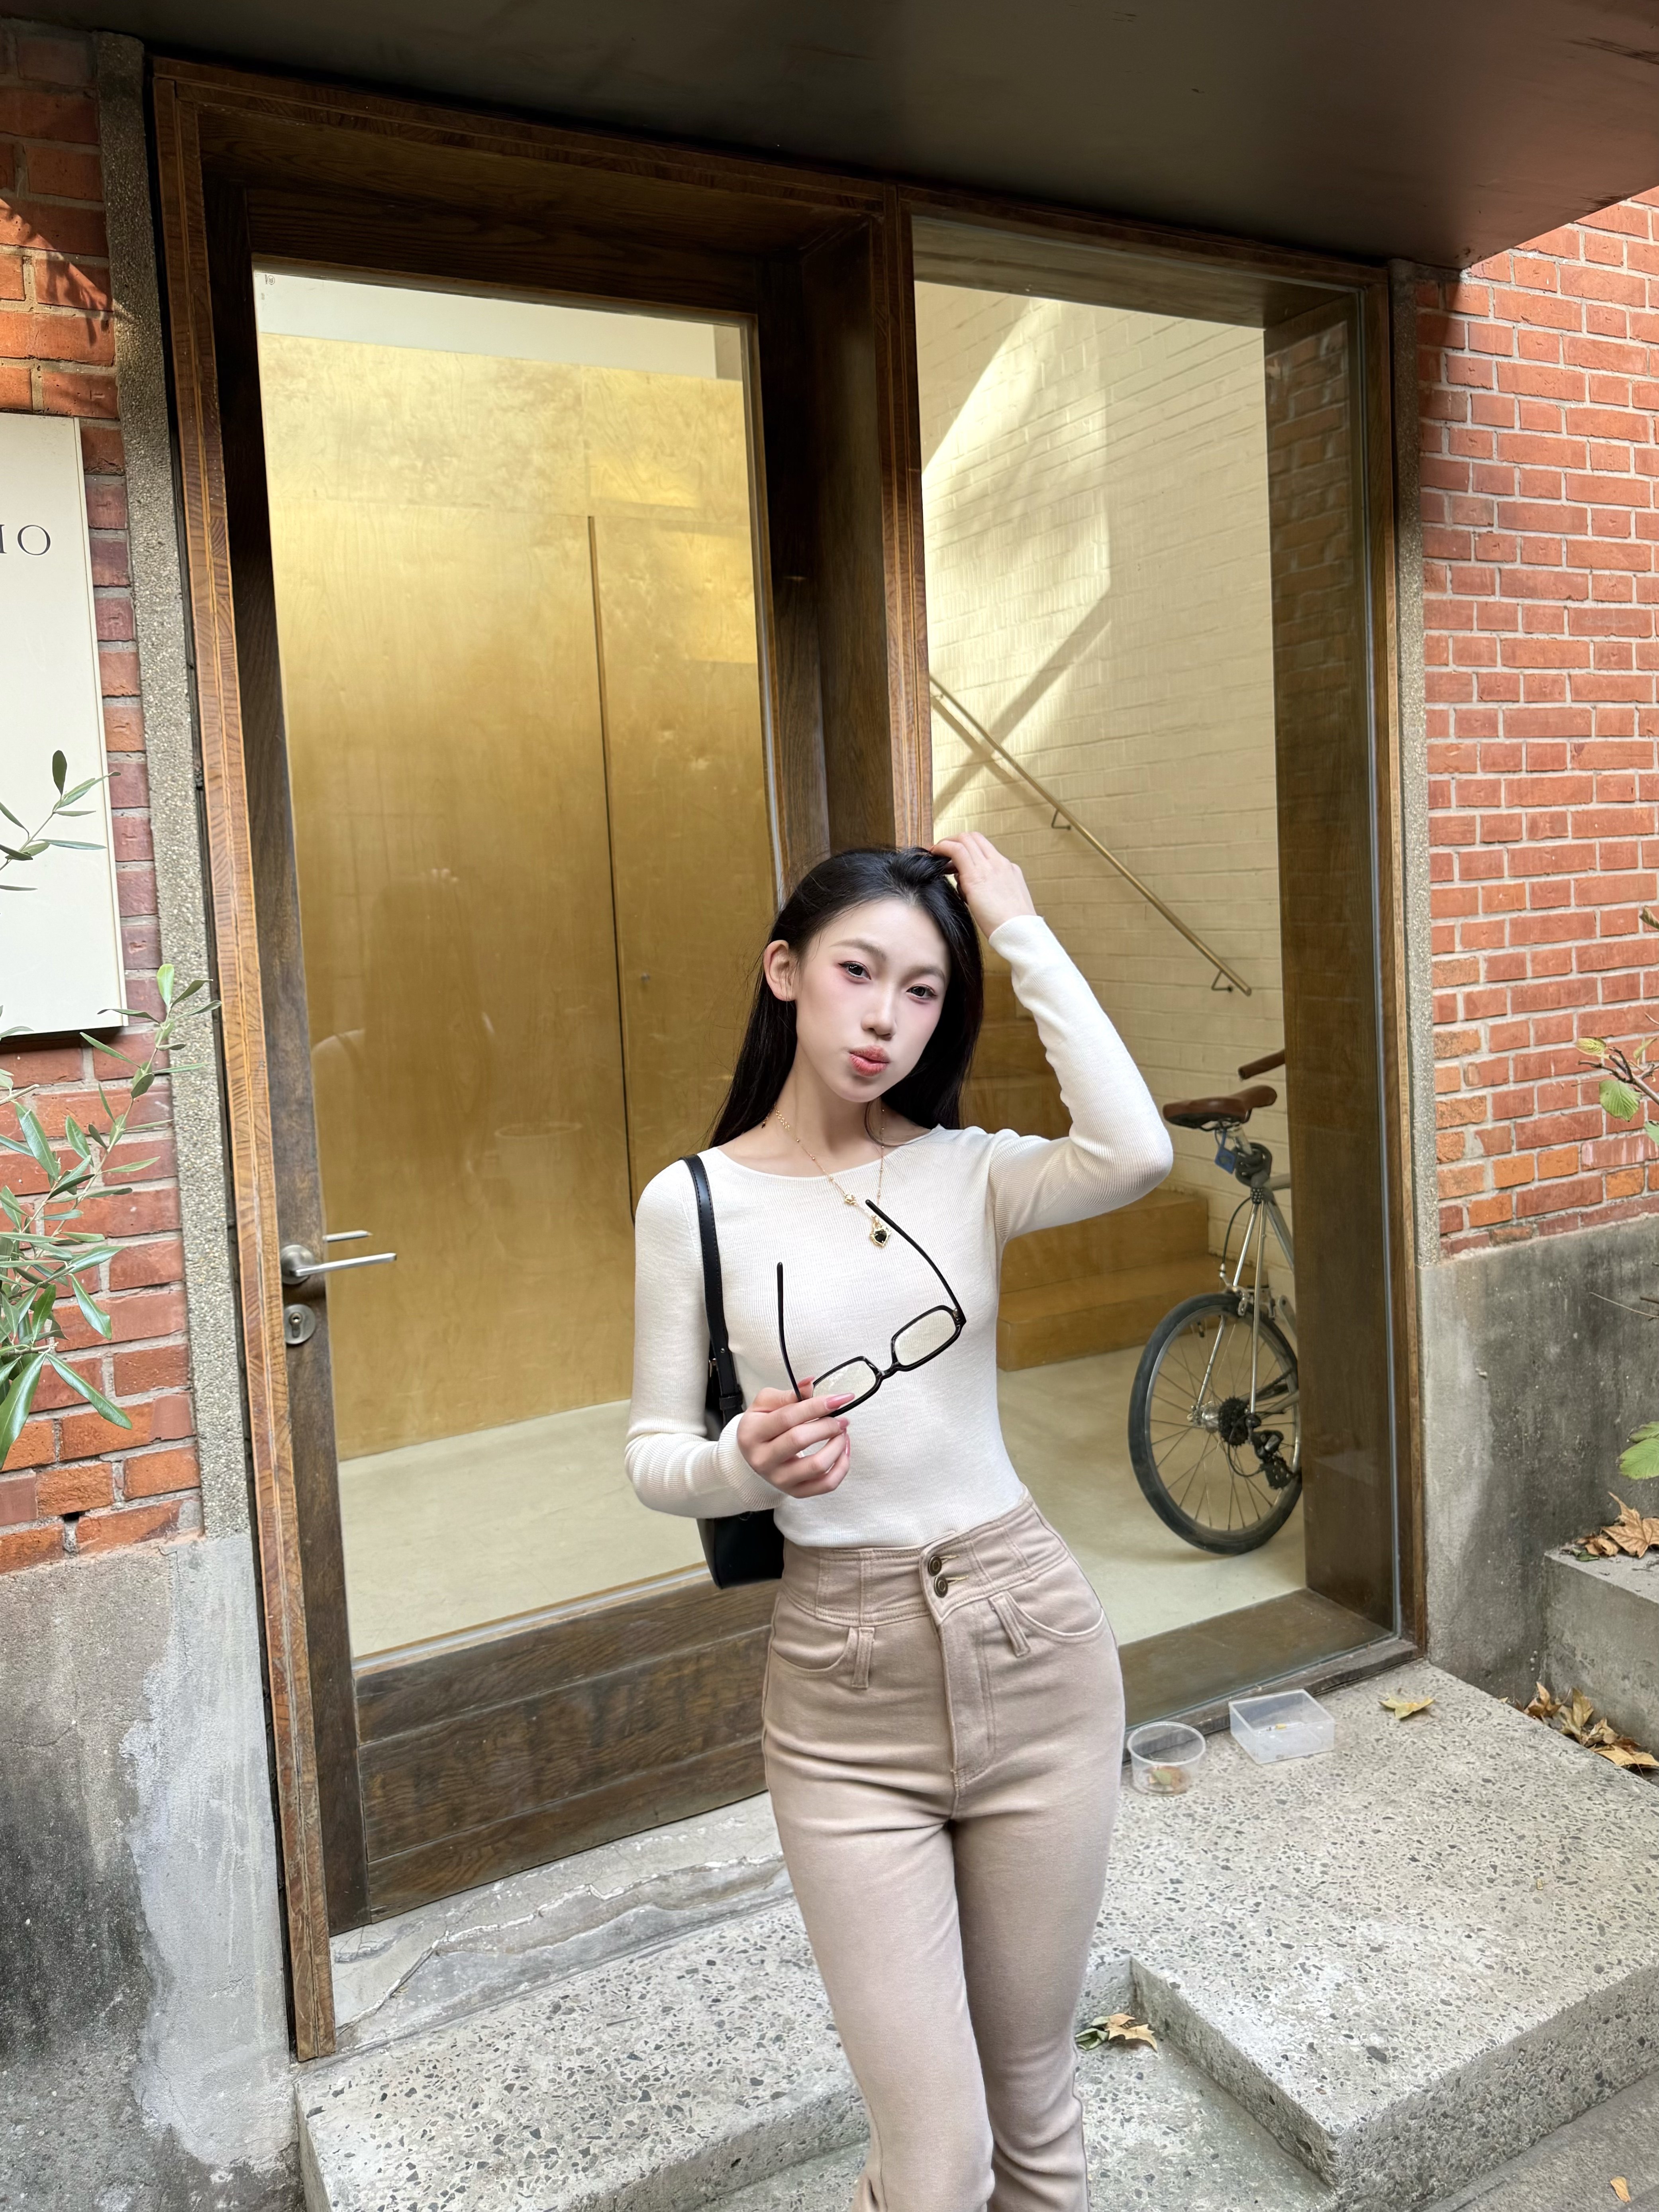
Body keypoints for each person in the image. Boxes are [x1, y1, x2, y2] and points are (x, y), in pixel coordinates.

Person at [626, 833, 1173, 2212]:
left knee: (1034, 2106)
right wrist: (742, 1461)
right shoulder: (693, 1202)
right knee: (934, 2162)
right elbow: (652, 1454)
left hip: (1031, 1639)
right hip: (843, 1691)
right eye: (857, 972)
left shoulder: (968, 1170)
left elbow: (1135, 1148)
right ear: (785, 971)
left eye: (923, 990)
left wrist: (1018, 924)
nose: (884, 1017)